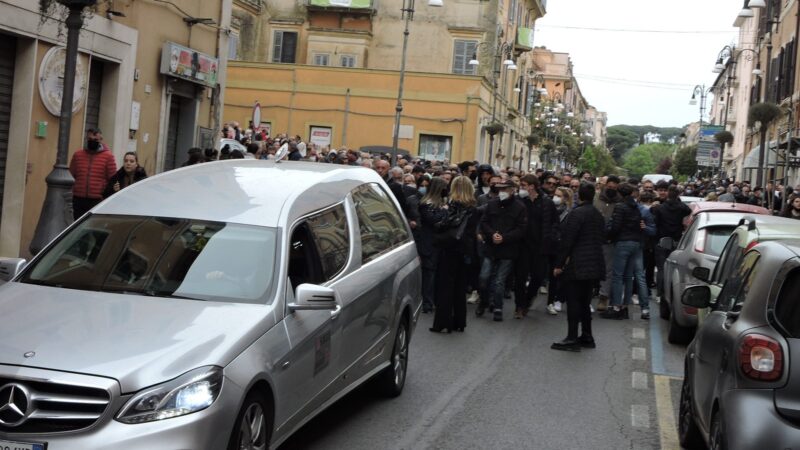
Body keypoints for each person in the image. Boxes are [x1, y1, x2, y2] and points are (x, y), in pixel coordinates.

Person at [551, 182, 606, 352]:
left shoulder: (577, 214)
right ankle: (587, 335)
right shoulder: (597, 214)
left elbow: (568, 241)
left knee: (573, 301)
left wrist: (559, 264)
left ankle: (572, 337)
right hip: (594, 263)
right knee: (584, 301)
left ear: (579, 196)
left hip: (578, 263)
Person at [430, 176, 479, 333]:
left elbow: (442, 225)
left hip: (449, 248)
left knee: (445, 286)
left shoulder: (452, 206)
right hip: (465, 250)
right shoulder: (474, 207)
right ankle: (459, 321)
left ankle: (443, 322)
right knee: (460, 286)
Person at [477, 180, 527, 321]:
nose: (501, 192)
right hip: (491, 247)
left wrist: (504, 238)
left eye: (504, 189)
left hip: (508, 250)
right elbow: (484, 221)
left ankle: (498, 306)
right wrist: (491, 234)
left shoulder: (520, 207)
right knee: (483, 277)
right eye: (500, 189)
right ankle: (484, 301)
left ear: (512, 190)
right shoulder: (492, 203)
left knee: (499, 281)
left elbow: (521, 229)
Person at [601, 184, 651, 320]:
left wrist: (608, 236)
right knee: (628, 277)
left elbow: (616, 226)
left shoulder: (620, 206)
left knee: (617, 276)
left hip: (623, 242)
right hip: (635, 242)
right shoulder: (635, 207)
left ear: (619, 193)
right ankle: (624, 307)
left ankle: (616, 307)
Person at [515, 175, 558, 318]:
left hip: (541, 246)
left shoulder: (547, 202)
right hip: (523, 245)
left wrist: (550, 238)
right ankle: (519, 306)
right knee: (520, 277)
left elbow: (554, 223)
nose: (521, 188)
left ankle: (528, 299)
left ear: (532, 186)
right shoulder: (520, 201)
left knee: (538, 277)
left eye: (523, 185)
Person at [652, 185, 691, 300]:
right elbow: (688, 210)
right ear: (678, 195)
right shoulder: (681, 207)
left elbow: (656, 222)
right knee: (674, 269)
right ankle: (670, 292)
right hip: (676, 240)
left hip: (662, 240)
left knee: (661, 269)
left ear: (668, 194)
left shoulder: (660, 208)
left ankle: (660, 293)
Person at [69, 128, 117, 219]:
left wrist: (106, 196)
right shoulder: (78, 155)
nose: (92, 142)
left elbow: (113, 179)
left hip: (97, 200)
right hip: (78, 199)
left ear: (100, 140)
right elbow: (71, 176)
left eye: (95, 140)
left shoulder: (108, 156)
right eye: (90, 139)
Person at [418, 178, 449, 314]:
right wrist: (445, 212)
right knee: (429, 275)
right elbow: (432, 220)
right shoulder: (426, 203)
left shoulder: (443, 203)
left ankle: (435, 301)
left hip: (440, 243)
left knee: (437, 274)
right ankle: (427, 303)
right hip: (429, 243)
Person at [592, 175, 622, 311]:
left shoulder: (619, 202)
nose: (611, 189)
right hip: (593, 238)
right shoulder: (596, 198)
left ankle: (603, 297)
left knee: (608, 270)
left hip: (609, 240)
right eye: (609, 187)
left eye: (614, 188)